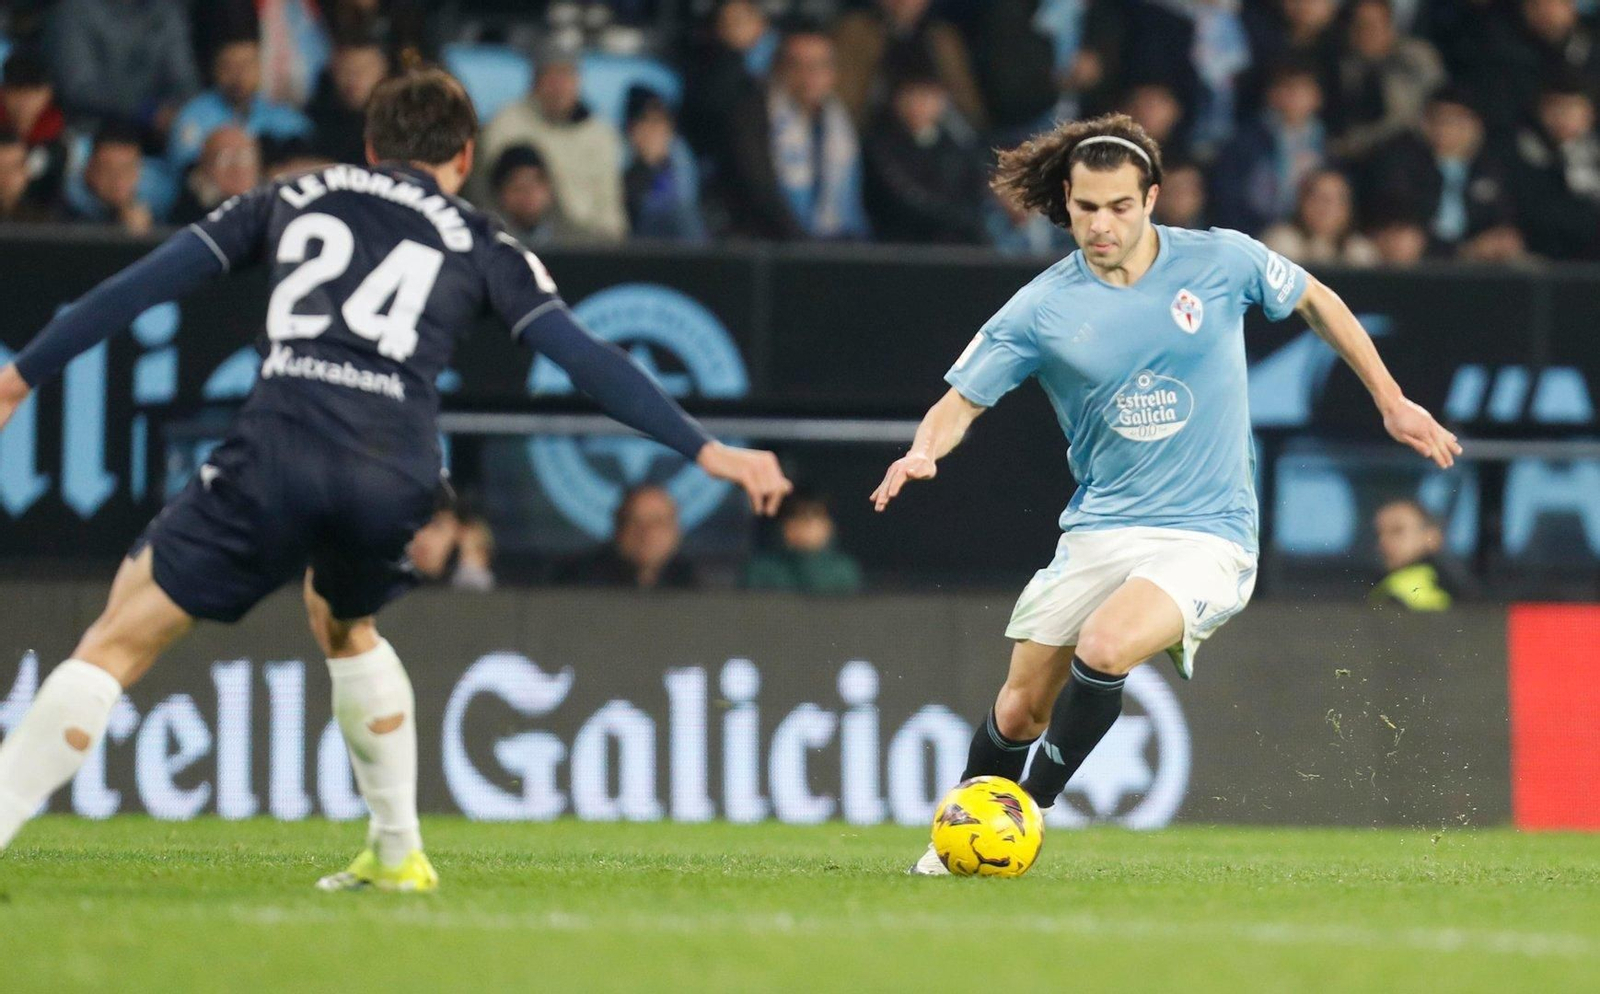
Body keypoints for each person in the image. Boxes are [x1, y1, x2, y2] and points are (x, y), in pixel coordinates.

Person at [0, 67, 791, 887]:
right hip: (395, 470)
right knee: (344, 623)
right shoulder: (482, 241)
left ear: (372, 147)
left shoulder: (294, 196)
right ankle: (395, 851)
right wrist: (707, 449)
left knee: (117, 638)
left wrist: (21, 376)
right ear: (465, 157)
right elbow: (587, 359)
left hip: (283, 440)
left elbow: (140, 285)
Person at [872, 113, 1459, 874]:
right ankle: (955, 840)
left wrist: (1389, 397)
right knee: (1019, 709)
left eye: (1120, 206)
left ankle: (1028, 812)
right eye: (1086, 208)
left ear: (1151, 197)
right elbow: (961, 401)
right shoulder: (1042, 307)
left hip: (1208, 532)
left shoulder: (1221, 261)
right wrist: (923, 451)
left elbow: (1318, 299)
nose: (1102, 224)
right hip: (1101, 527)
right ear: (1066, 205)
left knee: (1106, 644)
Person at [722, 27, 868, 241]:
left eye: (820, 66)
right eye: (798, 65)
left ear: (833, 72)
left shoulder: (843, 120)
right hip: (773, 248)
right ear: (779, 69)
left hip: (838, 245)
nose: (810, 75)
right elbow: (761, 192)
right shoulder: (752, 117)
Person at [476, 53, 628, 242]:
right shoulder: (505, 124)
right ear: (535, 80)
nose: (559, 85)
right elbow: (487, 196)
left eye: (566, 74)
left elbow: (611, 209)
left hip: (589, 247)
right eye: (551, 75)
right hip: (517, 240)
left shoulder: (602, 134)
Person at [1364, 87, 1524, 262]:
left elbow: (1504, 218)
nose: (1448, 128)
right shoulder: (1402, 162)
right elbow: (1400, 214)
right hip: (1422, 259)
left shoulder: (1492, 167)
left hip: (1482, 261)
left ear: (1476, 125)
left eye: (1457, 121)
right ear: (1425, 123)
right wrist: (1461, 251)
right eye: (1441, 120)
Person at [861, 67, 986, 245]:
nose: (917, 104)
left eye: (926, 95)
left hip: (953, 244)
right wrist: (955, 216)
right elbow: (900, 199)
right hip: (899, 244)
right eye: (911, 94)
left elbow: (973, 191)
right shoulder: (880, 146)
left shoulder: (955, 146)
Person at [45, 0, 200, 141]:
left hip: (157, 135)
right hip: (92, 134)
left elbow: (184, 79)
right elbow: (80, 88)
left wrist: (179, 112)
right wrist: (146, 111)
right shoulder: (73, 10)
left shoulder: (166, 10)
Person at [1211, 61, 1328, 235]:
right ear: (1273, 95)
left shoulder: (1325, 144)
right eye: (1288, 89)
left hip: (1315, 235)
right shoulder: (1245, 142)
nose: (1295, 98)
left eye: (1303, 90)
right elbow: (1229, 199)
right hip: (1259, 234)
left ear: (1317, 97)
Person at [832, 0, 987, 130]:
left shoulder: (943, 38)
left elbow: (971, 109)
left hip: (943, 144)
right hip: (874, 142)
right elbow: (843, 107)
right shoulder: (855, 33)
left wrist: (938, 105)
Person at [168, 34, 313, 171]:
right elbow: (187, 169)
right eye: (229, 66)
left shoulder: (276, 110)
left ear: (260, 68)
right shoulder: (195, 114)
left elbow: (308, 149)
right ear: (215, 70)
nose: (238, 75)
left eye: (246, 65)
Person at [1326, 0, 1445, 161]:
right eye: (1360, 25)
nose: (1368, 32)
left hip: (1414, 151)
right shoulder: (1341, 67)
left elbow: (1438, 101)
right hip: (1357, 154)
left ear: (1390, 25)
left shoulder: (1417, 58)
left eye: (1376, 24)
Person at [1512, 76, 1600, 259]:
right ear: (1541, 111)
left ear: (1590, 112)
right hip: (1547, 259)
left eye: (1573, 108)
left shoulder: (1595, 152)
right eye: (1555, 107)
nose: (1563, 117)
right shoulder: (1522, 155)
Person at [552, 485, 700, 590]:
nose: (648, 533)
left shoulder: (694, 587)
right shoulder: (576, 583)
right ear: (618, 527)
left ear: (676, 531)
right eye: (636, 521)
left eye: (658, 522)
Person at [622, 92, 707, 242]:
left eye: (661, 122)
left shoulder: (682, 165)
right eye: (649, 122)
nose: (657, 131)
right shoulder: (623, 168)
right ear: (633, 129)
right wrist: (647, 164)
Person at [744, 492, 864, 594]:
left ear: (828, 525)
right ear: (784, 525)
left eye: (815, 515)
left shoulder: (843, 570)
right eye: (798, 515)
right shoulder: (762, 570)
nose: (807, 524)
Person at [1370, 498, 1476, 610]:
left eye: (1397, 531)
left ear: (1432, 536)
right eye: (1378, 534)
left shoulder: (1397, 592)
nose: (1383, 542)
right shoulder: (1460, 586)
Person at [1262, 168, 1381, 266]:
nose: (1326, 208)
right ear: (1302, 203)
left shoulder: (1360, 252)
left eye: (1336, 200)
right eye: (1319, 198)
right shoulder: (1280, 244)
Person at [307, 36, 392, 165]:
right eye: (346, 69)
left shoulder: (396, 123)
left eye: (364, 69)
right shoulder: (311, 121)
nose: (354, 77)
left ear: (384, 70)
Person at [0, 48, 68, 208]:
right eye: (17, 92)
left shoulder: (58, 137)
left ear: (47, 93)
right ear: (4, 92)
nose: (24, 102)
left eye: (33, 93)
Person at [69, 123, 155, 235]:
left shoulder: (162, 192)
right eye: (109, 170)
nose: (118, 180)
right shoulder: (68, 197)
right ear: (89, 169)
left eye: (126, 170)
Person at [168, 126, 262, 226]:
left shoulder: (272, 206)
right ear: (206, 166)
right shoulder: (188, 210)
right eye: (225, 158)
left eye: (246, 157)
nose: (237, 168)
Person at [491, 144, 559, 247]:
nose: (527, 194)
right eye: (517, 187)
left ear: (548, 189)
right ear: (501, 193)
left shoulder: (576, 242)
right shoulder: (488, 243)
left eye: (534, 184)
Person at [0, 129, 55, 223]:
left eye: (15, 167)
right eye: (1, 168)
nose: (7, 176)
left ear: (27, 171)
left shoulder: (44, 222)